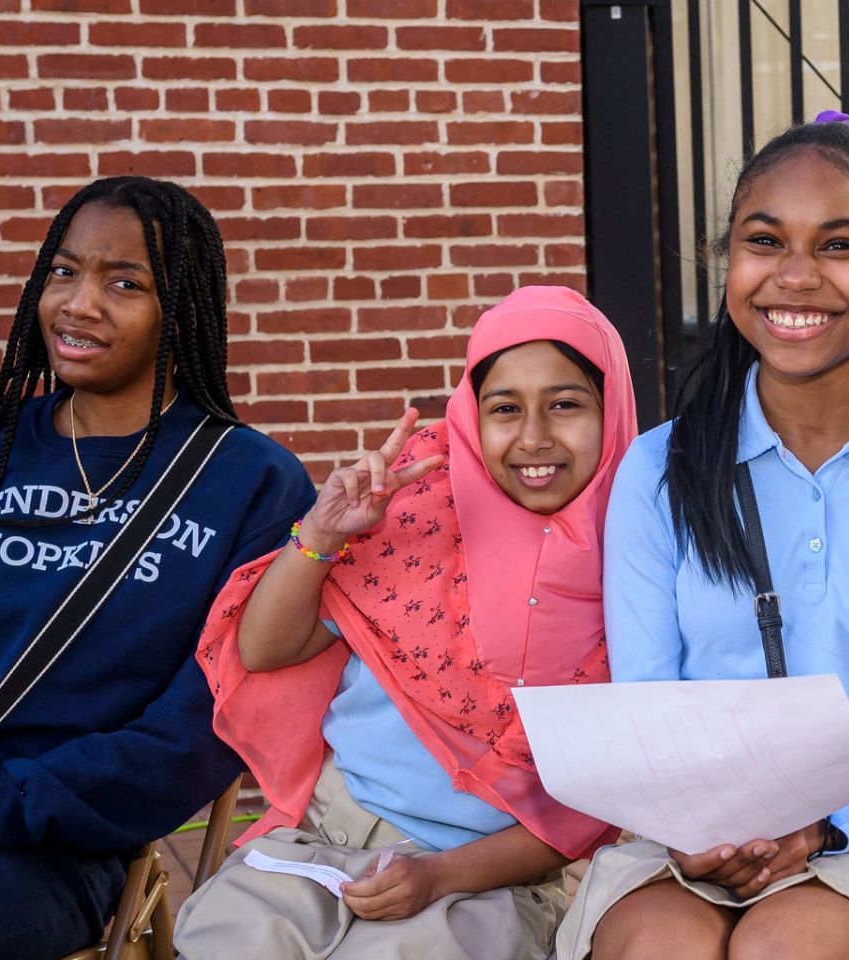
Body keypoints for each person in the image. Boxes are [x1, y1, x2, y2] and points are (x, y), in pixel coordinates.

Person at [556, 115, 849, 960]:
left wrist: (823, 826)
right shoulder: (661, 467)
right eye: (764, 241)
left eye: (839, 245)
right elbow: (649, 704)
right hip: (683, 840)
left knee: (788, 947)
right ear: (728, 260)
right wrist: (690, 827)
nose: (795, 278)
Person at [0, 176, 314, 960]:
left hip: (53, 845)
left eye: (123, 283)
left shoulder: (249, 483)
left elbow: (206, 725)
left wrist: (6, 807)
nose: (79, 304)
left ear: (182, 313)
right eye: (64, 273)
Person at [173, 286, 636, 959]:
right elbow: (266, 648)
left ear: (612, 407)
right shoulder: (414, 514)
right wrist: (321, 534)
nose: (533, 437)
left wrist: (438, 877)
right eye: (504, 408)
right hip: (322, 845)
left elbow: (587, 808)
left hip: (478, 881)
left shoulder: (637, 562)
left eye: (565, 404)